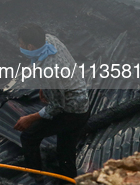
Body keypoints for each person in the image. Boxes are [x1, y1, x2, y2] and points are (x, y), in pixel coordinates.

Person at [13, 23, 89, 182]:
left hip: (72, 112)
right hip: (81, 101)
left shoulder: (49, 70)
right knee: (65, 150)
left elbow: (57, 107)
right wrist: (45, 88)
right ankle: (69, 179)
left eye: (21, 43)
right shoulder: (50, 40)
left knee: (29, 136)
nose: (19, 46)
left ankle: (36, 177)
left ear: (30, 46)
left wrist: (30, 118)